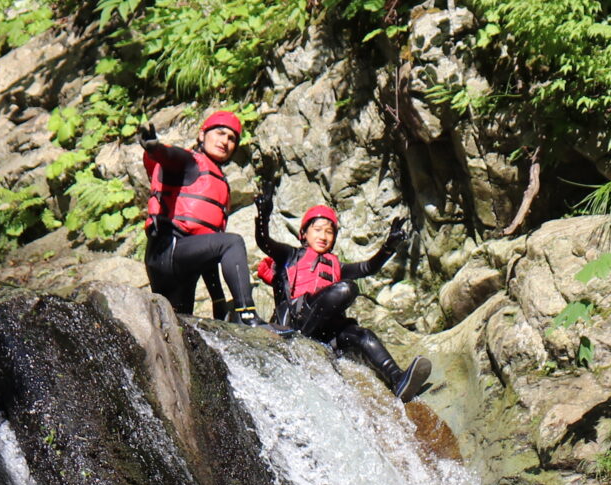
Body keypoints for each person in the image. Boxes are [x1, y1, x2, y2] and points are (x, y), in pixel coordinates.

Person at [254, 179, 432, 402]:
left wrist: (389, 246)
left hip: (326, 333)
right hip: (297, 323)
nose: (323, 236)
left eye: (329, 232)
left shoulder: (336, 266)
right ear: (304, 234)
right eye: (317, 230)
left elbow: (368, 267)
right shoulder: (290, 256)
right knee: (346, 289)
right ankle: (301, 339)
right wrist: (263, 215)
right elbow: (264, 241)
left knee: (361, 334)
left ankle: (397, 379)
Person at [139, 110, 258, 323]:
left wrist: (219, 303)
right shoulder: (190, 163)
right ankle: (247, 312)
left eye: (232, 139)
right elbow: (169, 156)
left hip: (179, 265)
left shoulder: (217, 179)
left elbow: (208, 252)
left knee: (178, 326)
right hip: (169, 248)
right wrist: (154, 147)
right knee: (233, 242)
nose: (225, 141)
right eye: (220, 133)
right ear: (202, 135)